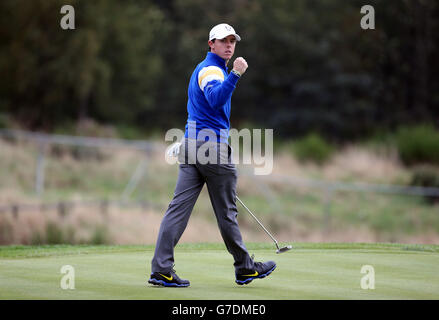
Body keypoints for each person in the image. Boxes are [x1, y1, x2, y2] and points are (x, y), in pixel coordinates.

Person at [148, 23, 276, 287]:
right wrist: (236, 74)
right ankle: (245, 267)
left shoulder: (204, 68)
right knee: (226, 213)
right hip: (211, 148)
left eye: (232, 41)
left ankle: (161, 269)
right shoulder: (210, 70)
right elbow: (216, 98)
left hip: (192, 145)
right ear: (211, 44)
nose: (229, 45)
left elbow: (200, 109)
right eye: (223, 41)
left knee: (177, 210)